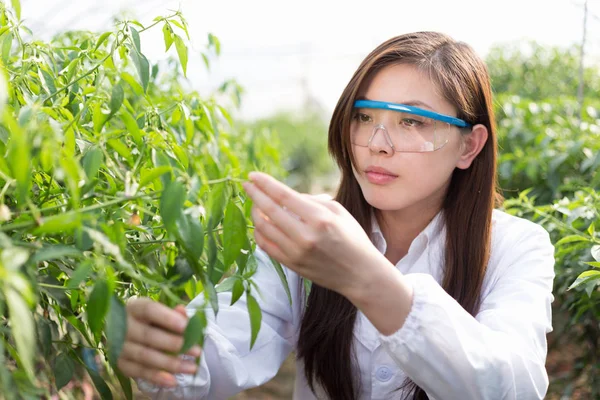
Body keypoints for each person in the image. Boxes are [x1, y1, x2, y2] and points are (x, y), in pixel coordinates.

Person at [119, 31, 555, 400]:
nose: (377, 143)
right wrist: (165, 349)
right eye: (363, 117)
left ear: (469, 146)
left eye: (413, 122)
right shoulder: (308, 231)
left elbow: (515, 385)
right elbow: (224, 345)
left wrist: (367, 280)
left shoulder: (516, 247)